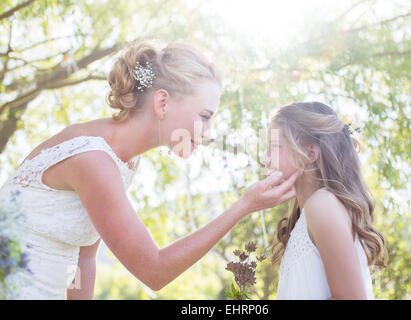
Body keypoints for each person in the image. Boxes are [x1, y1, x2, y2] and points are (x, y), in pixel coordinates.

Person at [0, 40, 298, 299]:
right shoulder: (94, 160)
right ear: (163, 102)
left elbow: (86, 254)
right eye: (205, 116)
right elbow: (154, 271)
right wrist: (243, 206)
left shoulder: (124, 160)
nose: (208, 132)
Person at [261, 102, 387, 300]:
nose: (265, 158)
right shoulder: (313, 210)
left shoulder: (322, 205)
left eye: (274, 147)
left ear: (310, 154)